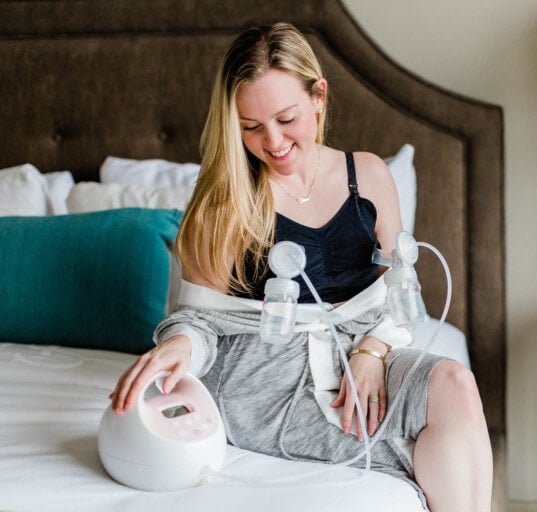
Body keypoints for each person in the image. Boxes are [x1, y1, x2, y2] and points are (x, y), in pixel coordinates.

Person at [110, 22, 492, 511]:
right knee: (424, 450)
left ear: (319, 97)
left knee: (457, 384)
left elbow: (400, 288)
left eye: (286, 118)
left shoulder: (368, 176)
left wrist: (372, 352)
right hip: (262, 380)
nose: (272, 142)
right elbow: (200, 320)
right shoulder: (224, 204)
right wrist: (179, 345)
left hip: (357, 352)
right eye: (251, 127)